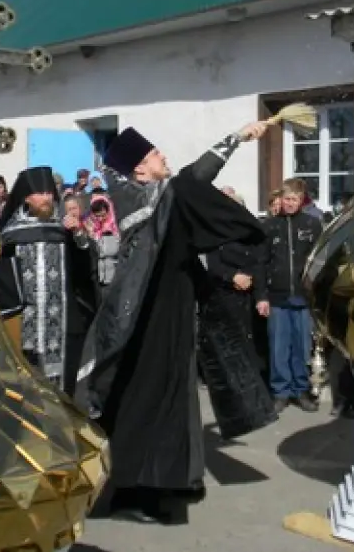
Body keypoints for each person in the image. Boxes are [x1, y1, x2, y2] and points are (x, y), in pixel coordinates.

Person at [77, 123, 275, 526]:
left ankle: (173, 479)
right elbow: (190, 181)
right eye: (154, 155)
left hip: (175, 312)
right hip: (147, 320)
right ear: (139, 171)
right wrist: (233, 138)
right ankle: (136, 488)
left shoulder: (161, 197)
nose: (162, 157)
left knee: (177, 397)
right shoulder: (138, 198)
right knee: (145, 401)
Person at [0, 166, 99, 395]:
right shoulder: (10, 235)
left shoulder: (63, 230)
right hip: (23, 323)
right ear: (26, 197)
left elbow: (83, 274)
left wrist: (79, 236)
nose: (47, 197)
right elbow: (0, 279)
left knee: (63, 390)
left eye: (50, 192)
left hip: (62, 323)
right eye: (41, 193)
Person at [199, 190, 276, 438]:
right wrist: (232, 277)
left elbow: (259, 265)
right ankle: (235, 404)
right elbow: (209, 265)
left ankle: (258, 401)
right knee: (230, 350)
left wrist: (262, 296)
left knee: (254, 347)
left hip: (249, 296)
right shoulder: (211, 230)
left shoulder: (250, 231)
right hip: (222, 295)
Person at [255, 178, 324, 413]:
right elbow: (260, 263)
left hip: (303, 298)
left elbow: (319, 261)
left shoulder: (312, 224)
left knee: (301, 346)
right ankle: (280, 392)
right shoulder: (269, 226)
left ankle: (300, 390)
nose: (290, 204)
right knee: (279, 347)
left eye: (294, 199)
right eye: (286, 199)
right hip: (276, 297)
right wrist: (261, 296)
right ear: (281, 200)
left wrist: (317, 294)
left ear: (301, 200)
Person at [86, 194, 119, 289]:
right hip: (99, 269)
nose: (100, 219)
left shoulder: (116, 222)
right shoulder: (90, 223)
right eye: (97, 216)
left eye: (103, 215)